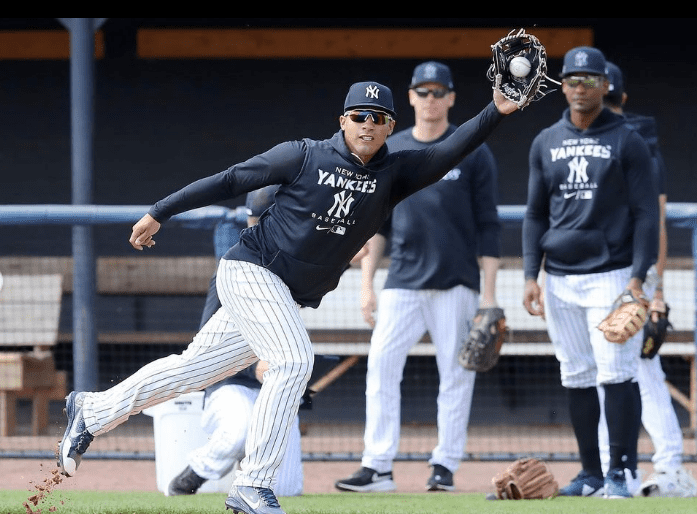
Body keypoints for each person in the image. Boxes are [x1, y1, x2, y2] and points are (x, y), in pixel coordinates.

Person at [58, 76, 521, 514]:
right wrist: (162, 210)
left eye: (379, 118)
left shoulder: (396, 174)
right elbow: (232, 179)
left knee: (191, 371)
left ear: (390, 128)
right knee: (295, 360)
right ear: (343, 120)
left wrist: (497, 109)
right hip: (251, 271)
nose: (368, 124)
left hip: (283, 293)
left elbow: (454, 148)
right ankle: (253, 484)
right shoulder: (304, 155)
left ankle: (92, 410)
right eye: (359, 115)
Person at [334, 61, 501, 493]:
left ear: (450, 98)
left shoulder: (473, 150)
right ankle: (378, 466)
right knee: (382, 369)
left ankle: (444, 466)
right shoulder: (395, 150)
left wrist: (489, 295)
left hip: (457, 284)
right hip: (403, 283)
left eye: (437, 92)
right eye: (422, 92)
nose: (429, 100)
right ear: (410, 97)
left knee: (456, 376)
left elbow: (489, 226)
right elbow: (377, 227)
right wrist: (367, 286)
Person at [522, 46, 659, 499]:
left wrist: (638, 277)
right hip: (559, 276)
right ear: (562, 86)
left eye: (588, 80)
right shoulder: (545, 140)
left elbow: (645, 214)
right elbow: (535, 215)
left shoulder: (628, 139)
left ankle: (622, 473)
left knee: (617, 371)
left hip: (612, 273)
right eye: (572, 80)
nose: (579, 87)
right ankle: (591, 474)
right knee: (576, 373)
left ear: (605, 85)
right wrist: (530, 275)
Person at [596, 61, 697, 497]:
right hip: (595, 275)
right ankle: (613, 469)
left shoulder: (638, 143)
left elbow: (654, 221)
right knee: (609, 374)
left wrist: (653, 291)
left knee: (639, 370)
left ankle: (670, 466)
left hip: (628, 277)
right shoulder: (576, 141)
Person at [167, 185, 303, 498]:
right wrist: (255, 363)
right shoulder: (234, 268)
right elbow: (208, 347)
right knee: (239, 431)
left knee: (286, 489)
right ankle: (195, 474)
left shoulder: (294, 271)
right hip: (231, 386)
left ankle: (245, 490)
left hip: (276, 389)